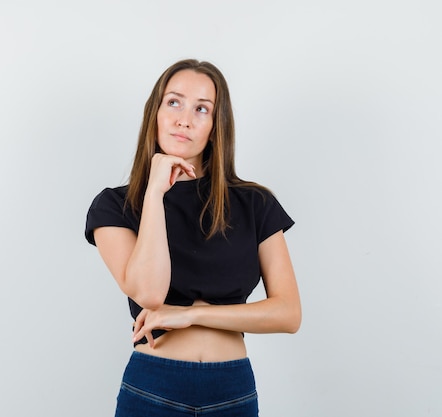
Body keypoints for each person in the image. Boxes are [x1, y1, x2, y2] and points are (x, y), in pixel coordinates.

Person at [84, 59, 301, 417]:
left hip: (232, 389)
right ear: (154, 112)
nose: (184, 118)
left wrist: (196, 315)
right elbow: (150, 294)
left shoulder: (254, 203)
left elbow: (288, 314)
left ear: (216, 127)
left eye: (202, 109)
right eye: (174, 102)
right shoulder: (115, 206)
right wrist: (154, 192)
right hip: (153, 388)